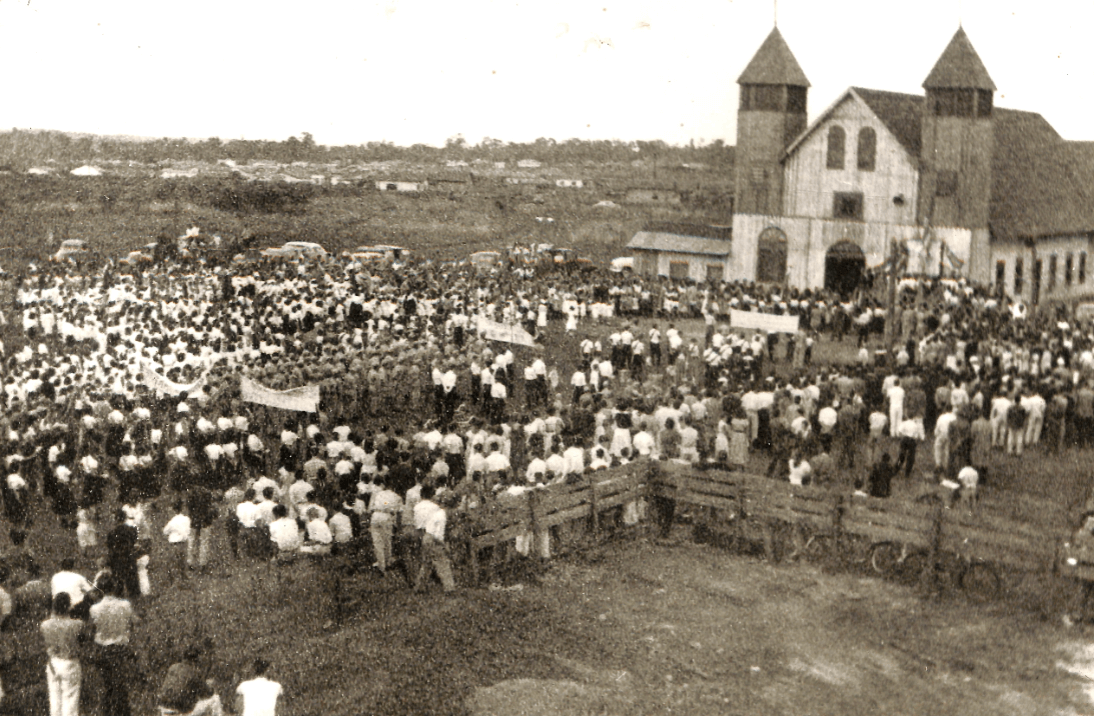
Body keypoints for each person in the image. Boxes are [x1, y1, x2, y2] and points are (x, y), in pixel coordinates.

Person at [89, 573, 139, 716]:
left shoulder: (94, 609)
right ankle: (121, 712)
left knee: (106, 685)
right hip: (120, 648)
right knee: (120, 685)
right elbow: (135, 622)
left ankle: (106, 711)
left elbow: (92, 631)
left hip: (102, 648)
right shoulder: (125, 605)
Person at [41, 593, 85, 716]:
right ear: (69, 606)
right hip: (70, 662)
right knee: (70, 701)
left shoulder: (45, 625)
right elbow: (81, 642)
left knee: (55, 700)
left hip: (53, 662)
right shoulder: (78, 625)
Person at [412, 484, 456, 593]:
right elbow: (438, 535)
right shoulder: (441, 514)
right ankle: (449, 588)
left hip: (426, 537)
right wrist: (444, 546)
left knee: (426, 563)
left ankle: (419, 587)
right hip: (433, 539)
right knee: (443, 563)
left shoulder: (436, 512)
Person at [158, 644, 222, 716]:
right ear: (195, 661)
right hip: (180, 712)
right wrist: (211, 687)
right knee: (215, 699)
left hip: (163, 708)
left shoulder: (172, 667)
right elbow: (207, 694)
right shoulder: (193, 673)